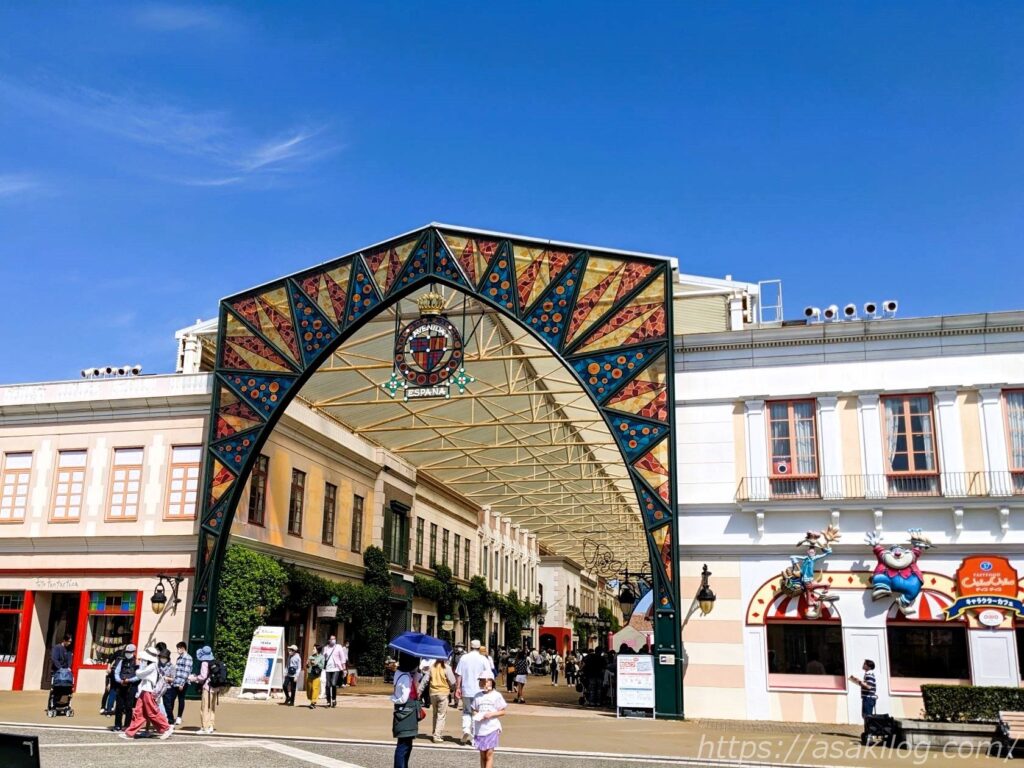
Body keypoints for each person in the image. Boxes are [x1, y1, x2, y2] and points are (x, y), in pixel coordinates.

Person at [120, 647, 172, 740]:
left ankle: (166, 728)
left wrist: (140, 667)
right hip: (144, 691)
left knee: (152, 712)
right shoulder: (151, 665)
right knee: (138, 712)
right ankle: (130, 733)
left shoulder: (152, 666)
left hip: (149, 691)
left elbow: (140, 674)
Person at [455, 639, 493, 746]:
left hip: (466, 689)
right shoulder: (483, 659)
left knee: (466, 711)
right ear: (479, 647)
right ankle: (474, 738)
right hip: (479, 690)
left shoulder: (464, 658)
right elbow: (489, 675)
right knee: (476, 713)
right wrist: (489, 688)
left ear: (470, 646)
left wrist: (458, 688)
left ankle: (466, 729)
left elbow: (459, 674)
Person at [391, 652, 423, 768]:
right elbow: (404, 698)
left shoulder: (399, 673)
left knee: (405, 744)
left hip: (403, 713)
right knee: (404, 745)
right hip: (407, 714)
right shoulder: (406, 677)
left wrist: (416, 674)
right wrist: (393, 699)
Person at [471, 670, 507, 768]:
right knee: (483, 755)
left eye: (485, 680)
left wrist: (491, 714)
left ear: (491, 681)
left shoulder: (496, 695)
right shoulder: (477, 696)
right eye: (481, 680)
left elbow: (503, 711)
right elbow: (474, 710)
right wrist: (477, 715)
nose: (483, 683)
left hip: (492, 728)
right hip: (480, 729)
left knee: (489, 754)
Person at [189, 645, 219, 734]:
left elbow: (203, 677)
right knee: (212, 707)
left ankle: (204, 727)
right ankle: (211, 726)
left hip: (207, 688)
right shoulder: (214, 661)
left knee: (205, 707)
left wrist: (193, 678)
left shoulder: (204, 663)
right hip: (216, 687)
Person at [427, 655, 455, 743]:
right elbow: (452, 681)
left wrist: (419, 690)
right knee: (441, 715)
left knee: (435, 714)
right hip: (443, 693)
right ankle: (437, 735)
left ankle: (435, 732)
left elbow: (425, 680)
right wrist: (453, 689)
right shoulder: (447, 668)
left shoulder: (432, 667)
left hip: (433, 692)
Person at [111, 643, 138, 732]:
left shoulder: (137, 662)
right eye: (127, 652)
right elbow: (116, 672)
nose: (128, 654)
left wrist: (129, 680)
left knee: (129, 707)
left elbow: (139, 676)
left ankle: (127, 725)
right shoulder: (121, 661)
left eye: (130, 652)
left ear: (134, 652)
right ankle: (117, 725)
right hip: (121, 685)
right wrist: (120, 681)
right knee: (119, 706)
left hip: (131, 686)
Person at [164, 642, 192, 726]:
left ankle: (179, 717)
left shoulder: (188, 658)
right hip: (175, 682)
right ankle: (170, 716)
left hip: (183, 682)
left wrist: (182, 683)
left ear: (183, 648)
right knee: (171, 699)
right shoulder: (179, 658)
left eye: (179, 648)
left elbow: (186, 671)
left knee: (181, 699)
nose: (178, 650)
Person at [849, 659, 878, 724]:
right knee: (866, 716)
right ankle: (867, 729)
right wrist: (858, 681)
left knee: (867, 716)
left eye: (865, 664)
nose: (863, 665)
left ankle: (869, 730)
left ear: (869, 666)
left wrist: (859, 681)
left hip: (868, 698)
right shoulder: (868, 674)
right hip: (867, 698)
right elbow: (867, 685)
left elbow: (869, 686)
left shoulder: (869, 675)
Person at [323, 635, 345, 708]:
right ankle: (328, 701)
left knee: (333, 683)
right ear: (329, 640)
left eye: (334, 639)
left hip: (336, 668)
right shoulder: (326, 648)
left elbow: (342, 657)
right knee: (327, 685)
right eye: (331, 639)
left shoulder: (338, 647)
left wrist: (344, 668)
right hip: (328, 668)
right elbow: (324, 658)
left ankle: (334, 699)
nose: (333, 640)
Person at [306, 644, 324, 708]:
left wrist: (316, 663)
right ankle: (312, 700)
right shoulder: (310, 657)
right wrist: (307, 664)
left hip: (316, 675)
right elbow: (307, 666)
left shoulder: (321, 657)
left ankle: (313, 702)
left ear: (318, 650)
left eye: (314, 649)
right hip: (310, 674)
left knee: (315, 688)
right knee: (309, 689)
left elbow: (322, 666)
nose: (313, 650)